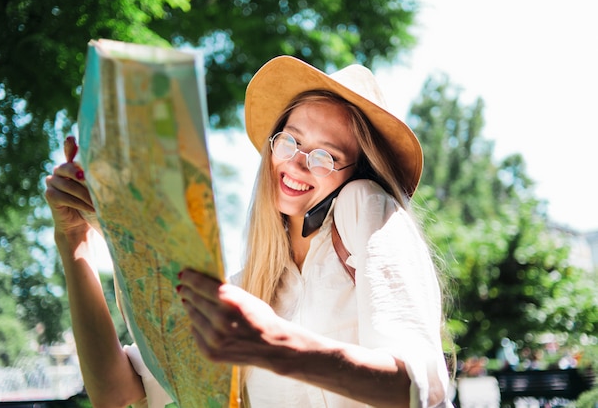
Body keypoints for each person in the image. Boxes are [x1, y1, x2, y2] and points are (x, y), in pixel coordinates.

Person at [45, 55, 452, 407]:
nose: (297, 164)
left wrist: (274, 344)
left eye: (326, 156)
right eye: (290, 141)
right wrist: (74, 240)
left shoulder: (363, 203)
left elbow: (423, 389)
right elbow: (116, 391)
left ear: (356, 173)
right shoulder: (246, 293)